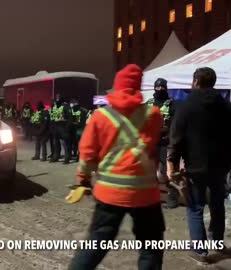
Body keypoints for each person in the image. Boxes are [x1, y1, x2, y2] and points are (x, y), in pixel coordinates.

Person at [70, 64, 165, 269]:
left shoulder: (100, 117)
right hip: (145, 194)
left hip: (109, 193)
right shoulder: (154, 115)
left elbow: (87, 154)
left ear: (116, 86)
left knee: (96, 243)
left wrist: (83, 181)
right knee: (151, 246)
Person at [167, 67, 231, 262]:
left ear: (195, 81)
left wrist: (172, 165)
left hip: (195, 166)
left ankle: (200, 251)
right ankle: (218, 244)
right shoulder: (227, 106)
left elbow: (176, 138)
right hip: (220, 166)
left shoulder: (186, 107)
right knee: (217, 204)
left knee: (195, 207)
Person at [146, 78, 179, 209]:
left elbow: (177, 122)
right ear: (154, 88)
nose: (160, 89)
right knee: (148, 171)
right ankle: (149, 198)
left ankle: (172, 198)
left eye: (162, 87)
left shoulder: (173, 104)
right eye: (158, 87)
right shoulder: (148, 103)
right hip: (150, 142)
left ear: (166, 88)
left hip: (166, 143)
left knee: (167, 172)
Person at [50, 94, 71, 164]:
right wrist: (52, 127)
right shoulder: (54, 106)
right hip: (55, 126)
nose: (57, 100)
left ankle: (67, 158)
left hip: (63, 126)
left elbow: (69, 118)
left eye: (58, 98)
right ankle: (56, 156)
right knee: (55, 143)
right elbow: (52, 117)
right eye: (56, 98)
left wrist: (67, 127)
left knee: (65, 143)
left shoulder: (65, 106)